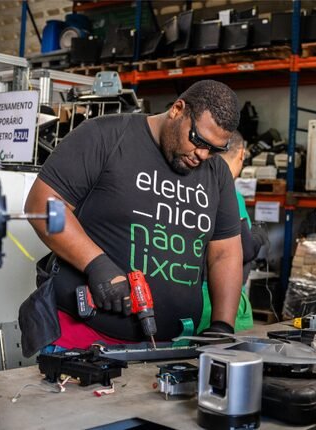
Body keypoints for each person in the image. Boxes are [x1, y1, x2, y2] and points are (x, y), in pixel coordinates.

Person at [20, 80, 243, 354]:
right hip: (81, 343)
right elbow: (44, 205)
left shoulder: (217, 174)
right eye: (197, 140)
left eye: (215, 148)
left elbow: (225, 253)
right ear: (177, 109)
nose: (203, 154)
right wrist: (95, 264)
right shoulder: (106, 136)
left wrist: (222, 325)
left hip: (171, 349)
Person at [198, 131, 264, 333]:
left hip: (193, 294)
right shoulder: (232, 195)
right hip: (224, 299)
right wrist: (260, 236)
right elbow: (245, 248)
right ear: (242, 154)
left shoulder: (198, 188)